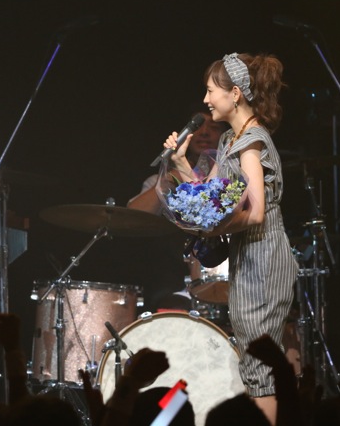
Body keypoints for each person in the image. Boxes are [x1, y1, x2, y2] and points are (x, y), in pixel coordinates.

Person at [159, 53, 298, 425]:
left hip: (263, 255)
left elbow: (255, 212)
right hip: (247, 254)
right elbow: (211, 196)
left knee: (259, 362)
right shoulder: (229, 140)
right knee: (253, 360)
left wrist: (214, 229)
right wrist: (181, 164)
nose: (206, 100)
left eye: (210, 91)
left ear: (235, 94)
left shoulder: (251, 141)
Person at [127, 112, 226, 312]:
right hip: (170, 286)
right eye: (198, 127)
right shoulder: (164, 178)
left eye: (214, 127)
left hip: (224, 277)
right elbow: (132, 218)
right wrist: (172, 176)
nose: (204, 132)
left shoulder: (230, 178)